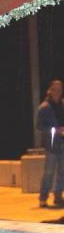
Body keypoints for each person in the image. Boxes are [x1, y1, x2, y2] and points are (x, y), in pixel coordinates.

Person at [37, 79, 64, 208]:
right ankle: (43, 198)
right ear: (50, 90)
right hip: (51, 146)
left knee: (62, 172)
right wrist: (55, 130)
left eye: (60, 89)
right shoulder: (44, 107)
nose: (58, 91)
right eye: (55, 89)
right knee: (49, 173)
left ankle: (58, 196)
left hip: (63, 143)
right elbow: (39, 126)